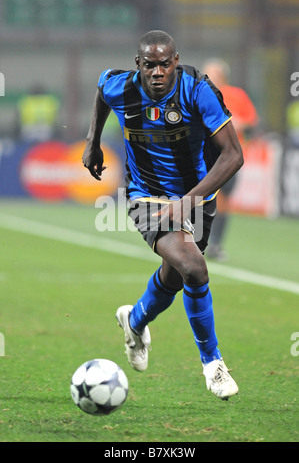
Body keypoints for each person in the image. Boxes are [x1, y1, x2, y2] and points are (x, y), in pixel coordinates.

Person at [82, 31, 244, 400]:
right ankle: (212, 364)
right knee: (195, 268)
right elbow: (100, 90)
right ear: (138, 65)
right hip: (147, 197)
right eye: (150, 65)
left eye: (165, 64)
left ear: (176, 61)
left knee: (174, 279)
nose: (158, 72)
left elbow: (233, 155)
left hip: (197, 197)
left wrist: (189, 201)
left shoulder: (197, 90)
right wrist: (93, 142)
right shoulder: (121, 86)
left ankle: (134, 321)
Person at [203, 59, 259, 261]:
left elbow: (250, 121)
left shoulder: (237, 96)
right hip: (204, 154)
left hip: (229, 155)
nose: (208, 77)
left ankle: (216, 243)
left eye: (213, 73)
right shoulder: (199, 94)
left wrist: (233, 123)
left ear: (223, 76)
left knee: (224, 200)